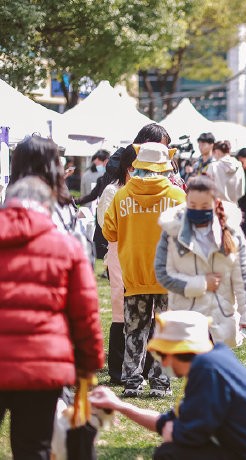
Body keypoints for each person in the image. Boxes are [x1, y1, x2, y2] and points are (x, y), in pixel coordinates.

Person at [90, 310, 246, 459]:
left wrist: (173, 431)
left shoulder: (208, 372)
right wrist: (119, 405)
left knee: (171, 453)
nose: (161, 362)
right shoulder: (214, 364)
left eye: (163, 354)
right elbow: (167, 423)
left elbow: (182, 435)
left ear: (178, 352)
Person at [0, 177, 104, 459]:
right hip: (42, 366)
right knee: (34, 447)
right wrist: (90, 363)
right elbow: (85, 313)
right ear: (47, 207)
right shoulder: (66, 247)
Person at [103, 142, 187, 398]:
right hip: (168, 274)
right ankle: (160, 384)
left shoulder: (121, 195)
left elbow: (109, 232)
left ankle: (132, 381)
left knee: (134, 329)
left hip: (134, 274)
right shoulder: (176, 197)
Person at [155, 175, 246, 348]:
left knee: (217, 370)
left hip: (222, 318)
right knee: (196, 372)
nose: (198, 210)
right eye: (192, 205)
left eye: (204, 206)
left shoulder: (232, 231)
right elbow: (163, 274)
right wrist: (201, 283)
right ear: (186, 202)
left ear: (216, 203)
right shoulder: (172, 231)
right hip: (187, 318)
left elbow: (244, 279)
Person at [97, 145, 138, 384]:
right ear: (127, 166)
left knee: (143, 310)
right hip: (119, 252)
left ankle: (138, 366)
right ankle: (117, 369)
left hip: (140, 255)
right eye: (136, 166)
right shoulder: (113, 191)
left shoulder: (146, 191)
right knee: (120, 308)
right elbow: (105, 225)